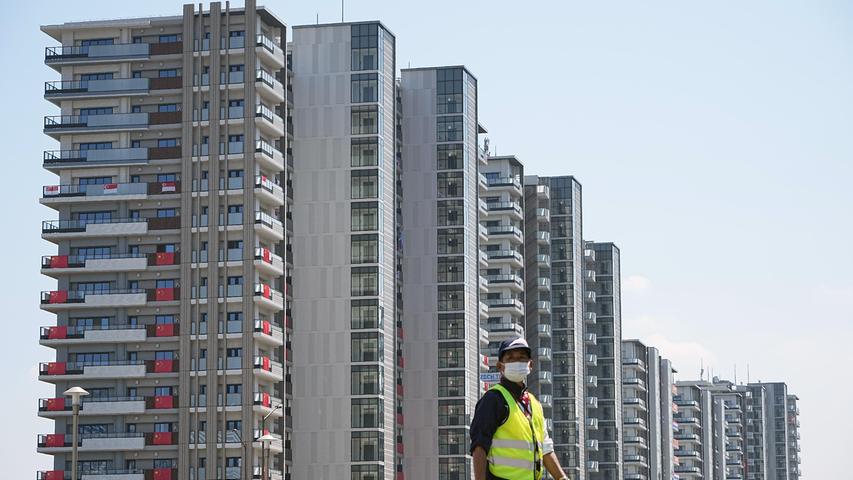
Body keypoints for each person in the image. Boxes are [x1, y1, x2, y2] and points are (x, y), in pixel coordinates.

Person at [470, 337, 568, 480]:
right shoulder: (493, 399)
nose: (516, 362)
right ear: (500, 366)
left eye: (522, 358)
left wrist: (562, 478)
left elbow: (545, 448)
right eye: (510, 358)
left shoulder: (534, 404)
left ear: (530, 365)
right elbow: (479, 446)